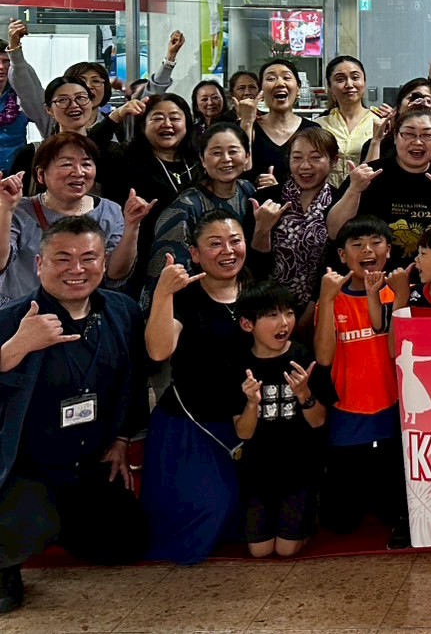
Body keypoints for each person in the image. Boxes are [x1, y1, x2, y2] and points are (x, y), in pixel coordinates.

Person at [0, 217, 150, 613]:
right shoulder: (12, 319)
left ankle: (58, 522)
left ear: (104, 262)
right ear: (39, 264)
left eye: (89, 257)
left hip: (89, 460)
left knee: (127, 543)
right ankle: (6, 563)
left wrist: (121, 439)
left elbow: (134, 380)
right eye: (63, 258)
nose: (77, 269)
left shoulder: (122, 311)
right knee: (28, 519)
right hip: (27, 465)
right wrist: (14, 349)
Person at [141, 211, 251, 564]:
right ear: (195, 253)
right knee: (208, 513)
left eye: (235, 241)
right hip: (192, 423)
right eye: (215, 244)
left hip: (248, 420)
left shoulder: (257, 289)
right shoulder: (184, 296)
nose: (228, 251)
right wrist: (163, 293)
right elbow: (158, 351)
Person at [315, 215, 409, 547]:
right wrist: (327, 300)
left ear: (389, 250)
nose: (367, 250)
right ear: (342, 255)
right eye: (357, 245)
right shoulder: (332, 297)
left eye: (375, 243)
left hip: (391, 413)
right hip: (347, 416)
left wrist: (401, 297)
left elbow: (400, 350)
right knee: (342, 522)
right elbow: (323, 358)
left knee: (392, 511)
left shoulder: (397, 293)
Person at [233, 280, 330, 559]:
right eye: (272, 315)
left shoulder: (302, 355)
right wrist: (252, 403)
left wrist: (304, 394)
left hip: (299, 468)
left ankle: (310, 513)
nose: (284, 322)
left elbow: (318, 421)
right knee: (260, 551)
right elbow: (243, 433)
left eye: (288, 313)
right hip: (258, 470)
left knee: (286, 550)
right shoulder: (240, 365)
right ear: (247, 324)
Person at [0, 133, 150, 305]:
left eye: (86, 164)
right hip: (22, 310)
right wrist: (5, 209)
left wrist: (132, 226)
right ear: (41, 174)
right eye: (66, 164)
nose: (79, 172)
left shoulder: (109, 211)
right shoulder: (19, 209)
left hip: (81, 312)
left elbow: (115, 274)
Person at [327, 108, 431, 269]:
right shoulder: (369, 175)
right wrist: (354, 190)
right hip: (376, 275)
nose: (417, 142)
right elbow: (334, 231)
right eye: (408, 134)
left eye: (427, 135)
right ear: (395, 137)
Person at [147, 123, 258, 309]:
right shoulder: (185, 207)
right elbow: (164, 269)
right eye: (216, 153)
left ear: (247, 156)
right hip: (190, 304)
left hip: (239, 295)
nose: (226, 159)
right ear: (203, 160)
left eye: (233, 151)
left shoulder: (248, 190)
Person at [250, 128, 341, 313]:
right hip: (269, 307)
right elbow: (253, 266)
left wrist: (313, 310)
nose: (305, 166)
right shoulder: (265, 200)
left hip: (323, 306)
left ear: (334, 161)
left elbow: (338, 262)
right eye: (297, 158)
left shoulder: (339, 203)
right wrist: (262, 229)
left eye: (315, 158)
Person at [118, 94, 197, 288]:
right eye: (157, 118)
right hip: (145, 263)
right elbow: (91, 146)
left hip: (199, 260)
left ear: (187, 123)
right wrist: (117, 115)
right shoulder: (126, 161)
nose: (167, 124)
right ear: (143, 126)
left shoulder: (200, 161)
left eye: (175, 118)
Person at [318, 55, 391, 189]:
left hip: (369, 194)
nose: (349, 85)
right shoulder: (319, 125)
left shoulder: (380, 122)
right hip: (327, 196)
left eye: (355, 77)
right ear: (330, 87)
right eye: (340, 79)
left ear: (364, 82)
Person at [242, 59, 310, 187]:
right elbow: (240, 170)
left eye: (286, 77)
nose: (280, 83)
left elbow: (318, 177)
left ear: (298, 89)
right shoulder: (250, 126)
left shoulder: (312, 130)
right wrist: (247, 122)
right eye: (271, 79)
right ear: (261, 91)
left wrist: (279, 189)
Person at [0, 21, 45, 174]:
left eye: (6, 61)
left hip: (18, 173)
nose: (1, 67)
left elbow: (43, 111)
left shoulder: (22, 96)